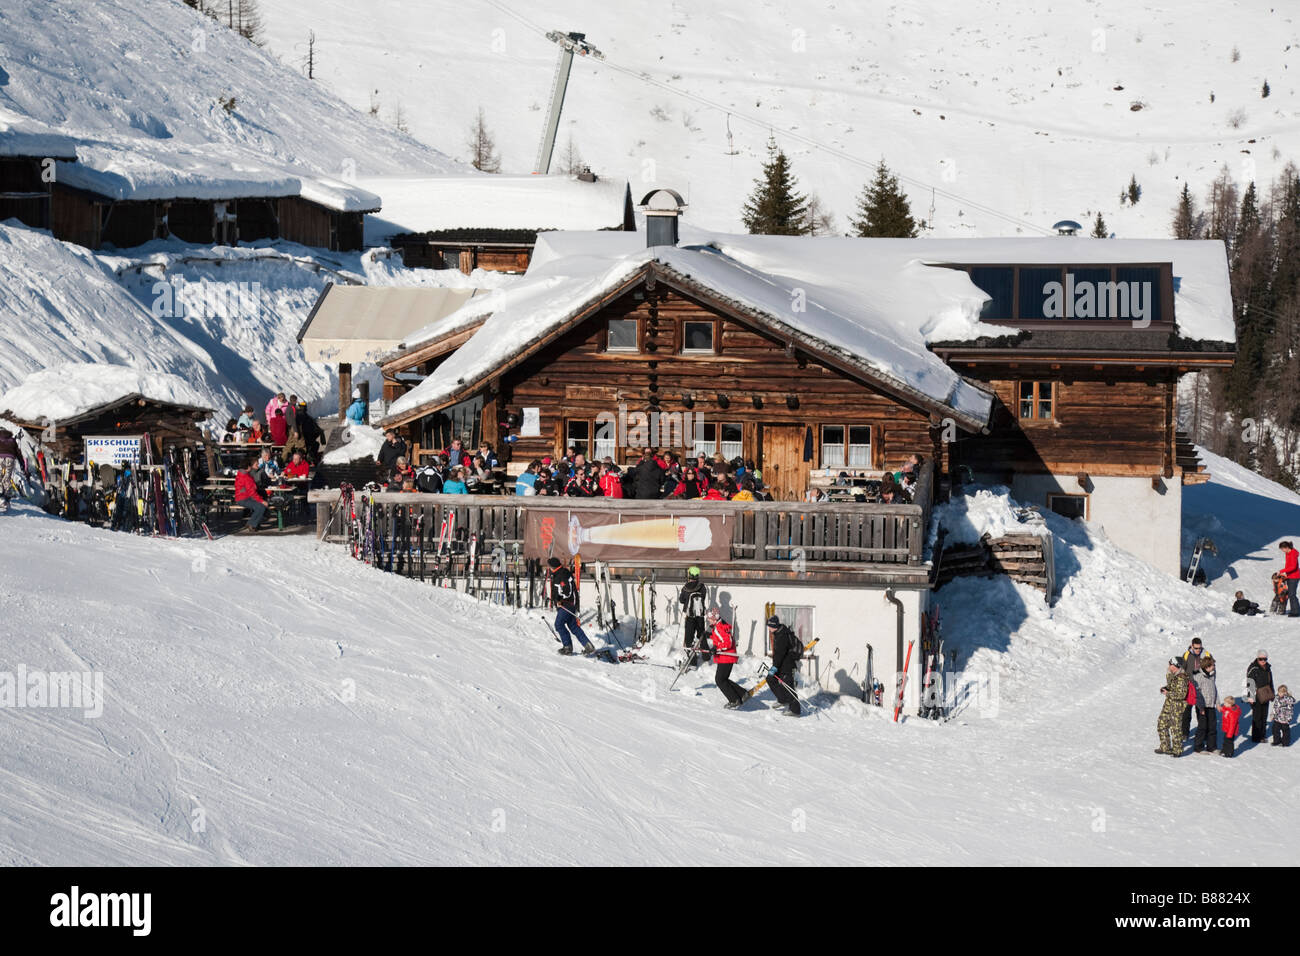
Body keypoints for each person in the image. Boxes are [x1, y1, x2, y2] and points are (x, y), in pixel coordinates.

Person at [548, 556, 595, 656]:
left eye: (550, 567)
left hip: (567, 604)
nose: (549, 569)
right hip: (570, 604)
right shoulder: (560, 573)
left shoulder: (562, 575)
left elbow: (567, 592)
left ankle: (567, 647)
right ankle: (588, 646)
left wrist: (560, 600)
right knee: (573, 626)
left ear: (553, 567)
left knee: (559, 624)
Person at [706, 607, 746, 709]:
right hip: (726, 656)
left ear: (714, 618)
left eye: (709, 619)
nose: (708, 620)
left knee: (719, 680)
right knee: (723, 679)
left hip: (726, 656)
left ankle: (734, 700)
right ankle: (742, 694)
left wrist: (716, 648)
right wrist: (710, 635)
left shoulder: (719, 627)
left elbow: (728, 642)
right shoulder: (718, 626)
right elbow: (721, 638)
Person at [766, 615, 802, 717]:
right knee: (770, 679)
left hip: (787, 665)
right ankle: (782, 700)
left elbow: (779, 654)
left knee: (788, 687)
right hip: (781, 664)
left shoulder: (782, 636)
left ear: (774, 626)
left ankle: (795, 710)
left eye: (769, 626)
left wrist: (774, 667)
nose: (768, 628)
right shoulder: (778, 633)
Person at [1155, 657, 1190, 756]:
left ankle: (1177, 750)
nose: (1168, 666)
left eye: (1170, 664)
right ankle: (1165, 747)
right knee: (1161, 723)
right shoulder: (1173, 675)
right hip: (1169, 704)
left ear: (1175, 666)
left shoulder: (1182, 678)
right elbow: (1172, 687)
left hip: (1177, 706)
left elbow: (1181, 695)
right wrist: (1166, 688)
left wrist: (1167, 693)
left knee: (1175, 728)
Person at [678, 567, 710, 667]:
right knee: (701, 635)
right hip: (699, 615)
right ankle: (706, 656)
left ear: (689, 575)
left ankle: (693, 661)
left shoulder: (685, 587)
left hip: (690, 616)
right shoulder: (702, 586)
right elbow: (703, 598)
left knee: (689, 638)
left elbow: (682, 600)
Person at [1180, 638, 1208, 741]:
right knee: (1186, 710)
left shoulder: (1206, 654)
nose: (1198, 650)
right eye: (1196, 648)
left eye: (1199, 648)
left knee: (1201, 710)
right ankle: (1184, 733)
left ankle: (1202, 733)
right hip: (1189, 686)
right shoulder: (1186, 655)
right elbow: (1182, 669)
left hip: (1201, 686)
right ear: (1192, 646)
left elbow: (1211, 669)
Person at [1192, 655, 1219, 754]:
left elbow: (1214, 689)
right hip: (1202, 706)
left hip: (1211, 705)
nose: (1214, 666)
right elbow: (1196, 693)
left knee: (1212, 727)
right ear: (1207, 666)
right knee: (1202, 727)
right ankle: (1198, 747)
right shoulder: (1199, 677)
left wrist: (1218, 703)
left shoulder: (1212, 675)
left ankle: (1211, 747)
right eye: (1213, 665)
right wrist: (1200, 707)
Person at [1247, 650, 1275, 743]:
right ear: (1257, 658)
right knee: (1257, 717)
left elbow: (1270, 681)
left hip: (1266, 694)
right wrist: (1250, 696)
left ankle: (1262, 736)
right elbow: (1249, 682)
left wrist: (1272, 693)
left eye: (1265, 659)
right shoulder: (1253, 668)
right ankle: (1256, 737)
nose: (1263, 661)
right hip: (1256, 695)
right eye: (1261, 659)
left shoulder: (1268, 668)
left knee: (1264, 716)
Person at [234, 459, 267, 532]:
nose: (251, 467)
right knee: (261, 506)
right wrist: (262, 501)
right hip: (244, 498)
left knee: (261, 506)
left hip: (242, 497)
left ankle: (251, 523)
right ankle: (252, 525)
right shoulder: (246, 477)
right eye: (250, 466)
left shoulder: (241, 474)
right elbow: (252, 492)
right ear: (248, 467)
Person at [0, 427, 25, 513]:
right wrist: (22, 464)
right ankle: (6, 499)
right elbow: (18, 453)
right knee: (7, 478)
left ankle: (1, 497)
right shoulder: (12, 440)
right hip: (10, 459)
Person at [1280, 541, 1300, 616]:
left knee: (1292, 594)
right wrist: (1285, 573)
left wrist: (1283, 571)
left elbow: (1293, 567)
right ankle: (1295, 609)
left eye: (1282, 549)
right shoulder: (1288, 553)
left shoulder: (1293, 554)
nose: (1282, 551)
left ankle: (1295, 612)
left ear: (1286, 548)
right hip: (1289, 576)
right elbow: (1288, 565)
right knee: (1291, 594)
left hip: (1294, 577)